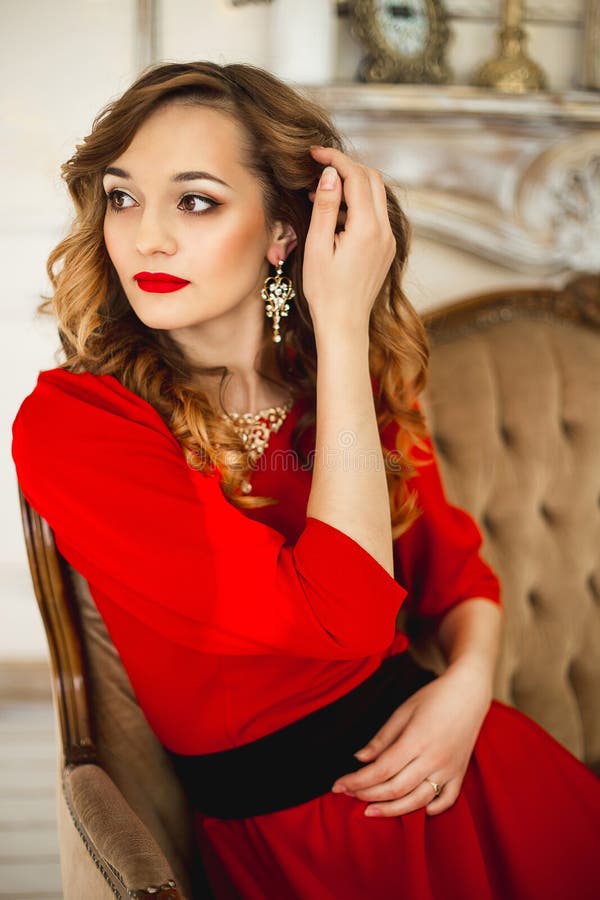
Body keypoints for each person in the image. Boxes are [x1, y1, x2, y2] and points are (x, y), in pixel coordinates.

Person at [11, 61, 600, 900]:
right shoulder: (78, 424)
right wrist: (343, 327)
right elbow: (346, 616)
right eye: (122, 196)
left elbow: (463, 580)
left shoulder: (344, 394)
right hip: (304, 843)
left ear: (284, 233)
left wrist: (466, 694)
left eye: (196, 200)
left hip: (473, 781)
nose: (146, 237)